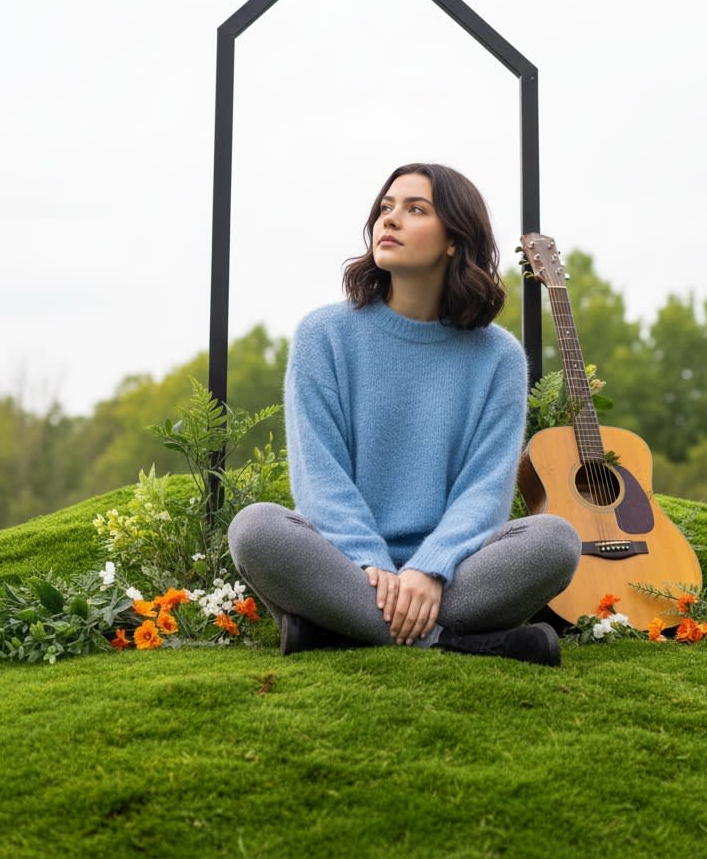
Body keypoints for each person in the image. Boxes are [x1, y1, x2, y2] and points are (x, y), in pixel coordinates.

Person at [227, 163, 581, 665]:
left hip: (456, 570)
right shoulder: (323, 336)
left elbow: (485, 492)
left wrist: (430, 568)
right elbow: (319, 479)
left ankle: (338, 629)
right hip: (344, 563)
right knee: (255, 529)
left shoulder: (498, 357)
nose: (389, 220)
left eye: (415, 210)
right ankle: (453, 640)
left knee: (556, 541)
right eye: (385, 208)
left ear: (455, 240)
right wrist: (372, 563)